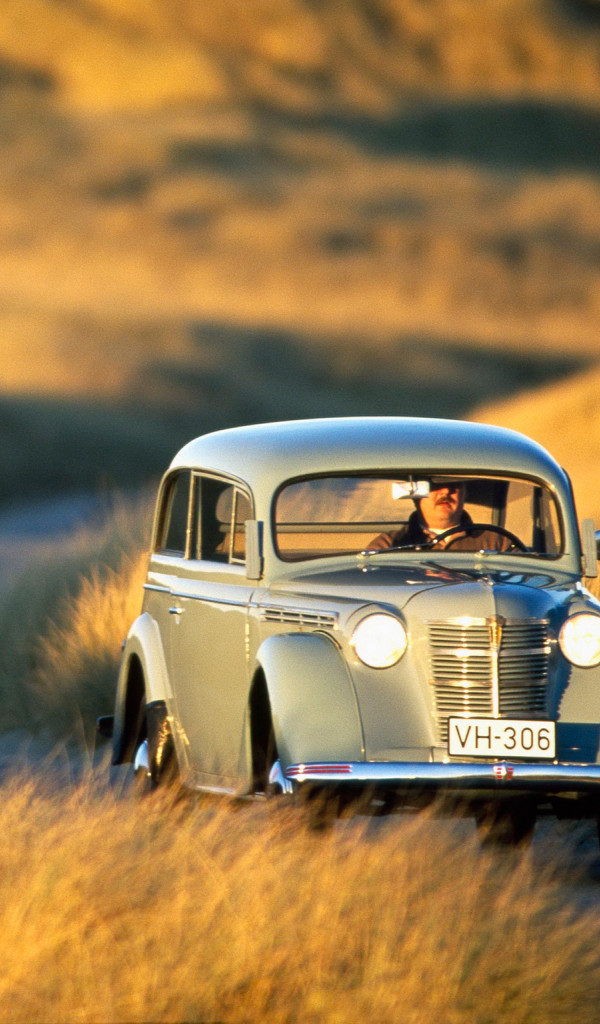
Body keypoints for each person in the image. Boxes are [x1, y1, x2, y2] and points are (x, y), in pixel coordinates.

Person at [368, 480, 513, 552]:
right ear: (416, 495)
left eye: (454, 485)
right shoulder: (389, 545)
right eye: (434, 485)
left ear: (464, 492)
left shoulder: (497, 542)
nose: (445, 492)